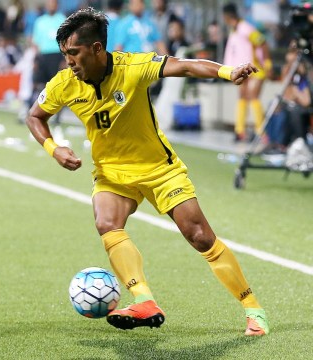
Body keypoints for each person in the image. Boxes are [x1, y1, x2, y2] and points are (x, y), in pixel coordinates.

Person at [26, 8, 269, 336]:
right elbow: (35, 116)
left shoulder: (133, 67)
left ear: (97, 49)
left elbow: (184, 65)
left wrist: (228, 72)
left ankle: (253, 309)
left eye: (73, 53)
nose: (68, 61)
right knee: (106, 222)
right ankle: (144, 300)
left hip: (159, 170)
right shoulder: (64, 84)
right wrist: (54, 150)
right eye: (64, 54)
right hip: (112, 173)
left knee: (200, 237)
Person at [222, 2, 272, 142]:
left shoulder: (245, 28)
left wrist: (267, 64)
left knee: (253, 97)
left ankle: (261, 133)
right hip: (243, 69)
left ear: (227, 16)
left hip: (255, 69)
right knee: (243, 96)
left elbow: (262, 42)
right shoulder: (234, 30)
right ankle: (240, 131)